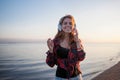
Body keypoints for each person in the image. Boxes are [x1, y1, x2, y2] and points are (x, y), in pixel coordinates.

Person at [46, 15, 86, 80]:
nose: (68, 25)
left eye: (70, 23)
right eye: (65, 23)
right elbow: (50, 64)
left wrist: (77, 42)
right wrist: (51, 50)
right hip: (60, 77)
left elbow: (81, 58)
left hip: (76, 77)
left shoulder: (77, 41)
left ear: (74, 26)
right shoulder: (55, 42)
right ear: (60, 26)